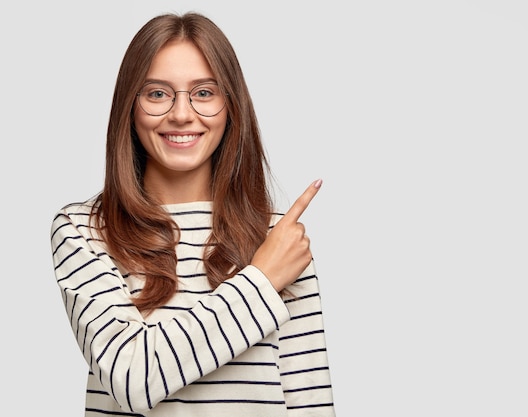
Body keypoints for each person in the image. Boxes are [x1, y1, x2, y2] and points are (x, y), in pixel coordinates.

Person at [49, 11, 335, 416]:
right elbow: (130, 379)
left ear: (230, 106)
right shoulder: (85, 230)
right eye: (157, 93)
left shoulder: (278, 239)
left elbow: (310, 402)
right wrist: (261, 282)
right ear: (129, 108)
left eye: (203, 93)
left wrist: (269, 266)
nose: (181, 114)